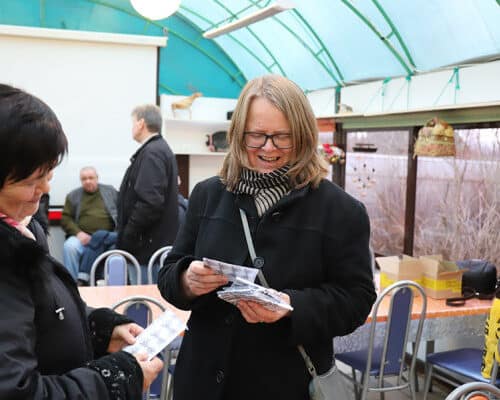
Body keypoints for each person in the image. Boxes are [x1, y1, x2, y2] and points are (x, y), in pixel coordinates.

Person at [157, 74, 377, 400]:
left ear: (302, 136)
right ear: (238, 135)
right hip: (202, 381)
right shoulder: (207, 196)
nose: (268, 148)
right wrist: (187, 280)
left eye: (282, 137)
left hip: (287, 382)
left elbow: (357, 299)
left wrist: (293, 306)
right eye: (256, 136)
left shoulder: (340, 211)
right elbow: (170, 273)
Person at [0, 83, 163, 399]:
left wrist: (100, 328)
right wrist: (116, 378)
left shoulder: (21, 227)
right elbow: (17, 391)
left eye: (49, 175)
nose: (45, 189)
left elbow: (45, 310)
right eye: (34, 180)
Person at [117, 104, 179, 284]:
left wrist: (128, 234)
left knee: (144, 305)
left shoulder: (152, 153)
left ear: (141, 123)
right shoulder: (157, 150)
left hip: (145, 248)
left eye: (133, 122)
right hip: (149, 244)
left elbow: (150, 202)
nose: (132, 127)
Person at [61, 166, 118, 281]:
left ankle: (109, 286)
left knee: (112, 249)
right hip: (82, 237)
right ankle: (72, 284)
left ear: (97, 178)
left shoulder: (110, 192)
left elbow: (121, 212)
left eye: (91, 178)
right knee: (69, 247)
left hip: (108, 236)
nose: (88, 181)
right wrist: (78, 233)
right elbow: (66, 219)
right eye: (84, 179)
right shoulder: (73, 196)